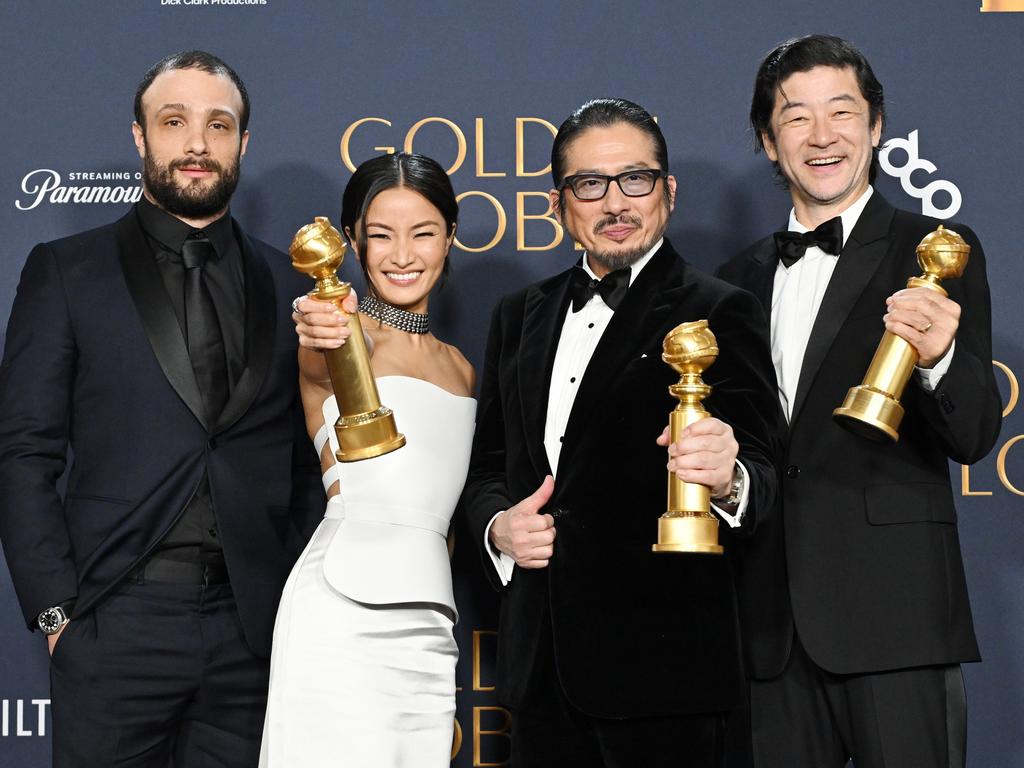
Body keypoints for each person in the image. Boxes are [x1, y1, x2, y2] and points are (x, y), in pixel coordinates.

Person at [0, 51, 323, 767]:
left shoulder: (285, 277)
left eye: (219, 124)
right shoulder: (66, 270)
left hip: (250, 633)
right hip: (115, 622)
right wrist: (56, 611)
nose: (197, 143)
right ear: (141, 139)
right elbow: (24, 450)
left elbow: (301, 458)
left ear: (245, 142)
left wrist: (285, 604)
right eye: (174, 122)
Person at [460, 98, 781, 768]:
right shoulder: (518, 315)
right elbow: (490, 464)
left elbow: (766, 476)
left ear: (668, 192)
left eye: (635, 179)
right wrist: (498, 527)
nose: (615, 203)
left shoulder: (721, 309)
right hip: (541, 671)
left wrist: (730, 476)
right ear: (557, 203)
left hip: (667, 677)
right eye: (590, 184)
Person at [717, 34, 1002, 768]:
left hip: (896, 617)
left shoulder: (935, 252)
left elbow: (973, 433)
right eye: (796, 118)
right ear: (767, 141)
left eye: (842, 112)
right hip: (768, 633)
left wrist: (938, 358)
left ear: (876, 127)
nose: (822, 136)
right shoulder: (732, 281)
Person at [259, 152, 475, 767]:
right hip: (341, 617)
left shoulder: (461, 368)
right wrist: (319, 315)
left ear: (451, 237)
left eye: (423, 233)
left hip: (430, 627)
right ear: (353, 241)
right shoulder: (337, 333)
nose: (402, 255)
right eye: (380, 235)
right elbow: (319, 329)